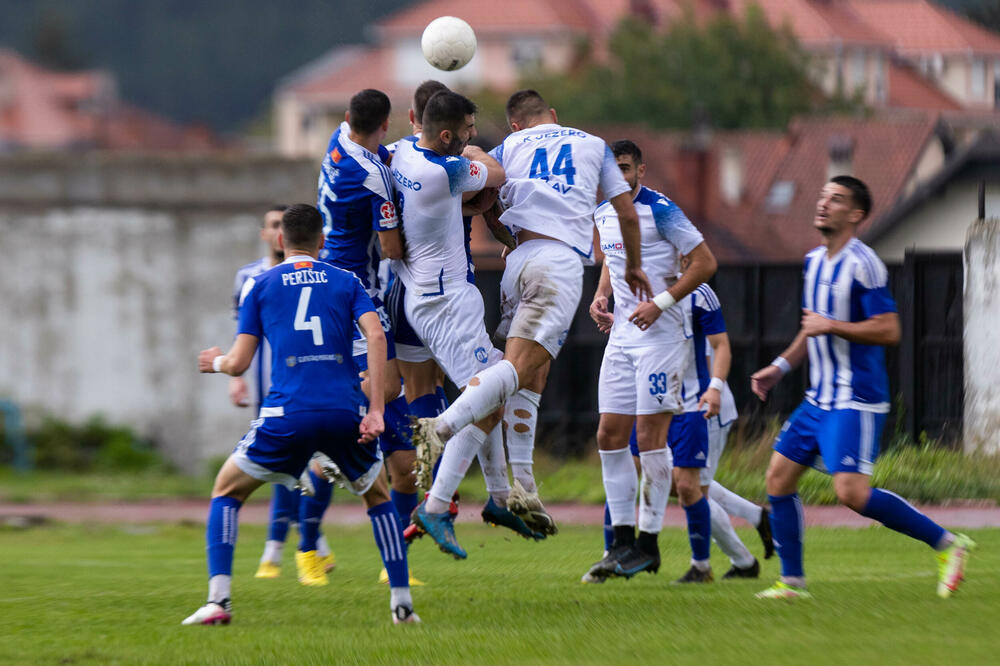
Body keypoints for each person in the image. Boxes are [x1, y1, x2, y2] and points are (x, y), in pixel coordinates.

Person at [411, 90, 654, 538]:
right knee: (517, 367)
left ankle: (521, 484)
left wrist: (506, 237)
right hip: (558, 263)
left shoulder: (509, 147)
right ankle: (440, 429)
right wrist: (634, 264)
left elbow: (486, 200)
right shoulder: (592, 144)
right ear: (554, 116)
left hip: (519, 261)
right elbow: (626, 213)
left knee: (531, 374)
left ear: (517, 125)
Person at [183, 204, 419, 626]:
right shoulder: (345, 280)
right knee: (378, 497)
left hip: (286, 414)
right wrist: (377, 411)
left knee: (225, 491)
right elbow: (377, 334)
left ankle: (219, 602)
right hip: (344, 412)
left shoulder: (260, 284)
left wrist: (215, 363)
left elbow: (239, 363)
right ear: (322, 242)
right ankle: (401, 604)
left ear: (280, 241)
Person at [750, 176, 975, 600]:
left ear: (855, 214)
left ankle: (949, 544)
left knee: (850, 493)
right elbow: (811, 328)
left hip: (856, 398)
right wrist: (779, 367)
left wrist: (831, 324)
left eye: (835, 199)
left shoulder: (864, 263)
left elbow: (889, 330)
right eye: (822, 196)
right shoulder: (813, 261)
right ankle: (793, 583)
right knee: (778, 478)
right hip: (819, 397)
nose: (822, 203)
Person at [392, 90, 539, 559]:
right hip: (445, 304)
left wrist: (470, 207)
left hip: (430, 295)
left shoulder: (403, 152)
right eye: (470, 130)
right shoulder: (446, 169)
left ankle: (498, 501)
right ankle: (435, 499)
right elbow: (497, 172)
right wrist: (478, 158)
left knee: (493, 394)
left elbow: (452, 201)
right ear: (450, 134)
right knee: (502, 385)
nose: (475, 136)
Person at [580, 139, 716, 581]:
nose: (617, 177)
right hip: (621, 337)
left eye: (624, 168)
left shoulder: (662, 210)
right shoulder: (605, 210)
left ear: (642, 169)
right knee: (608, 434)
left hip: (662, 338)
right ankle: (620, 542)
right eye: (611, 170)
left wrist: (659, 301)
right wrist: (601, 295)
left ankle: (649, 544)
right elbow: (611, 259)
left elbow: (704, 262)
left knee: (649, 437)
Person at [316, 89, 422, 568]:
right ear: (386, 125)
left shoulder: (337, 143)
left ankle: (346, 433)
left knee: (388, 397)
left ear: (347, 117)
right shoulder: (374, 175)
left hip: (327, 278)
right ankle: (340, 435)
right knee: (390, 381)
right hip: (354, 286)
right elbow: (394, 249)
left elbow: (382, 151)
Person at [232, 205, 336, 583]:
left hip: (312, 392)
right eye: (273, 223)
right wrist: (235, 377)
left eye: (283, 223)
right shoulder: (250, 279)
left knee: (316, 468)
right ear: (268, 234)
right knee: (287, 472)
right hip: (273, 393)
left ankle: (296, 548)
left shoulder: (327, 277)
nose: (278, 230)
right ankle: (295, 549)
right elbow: (242, 334)